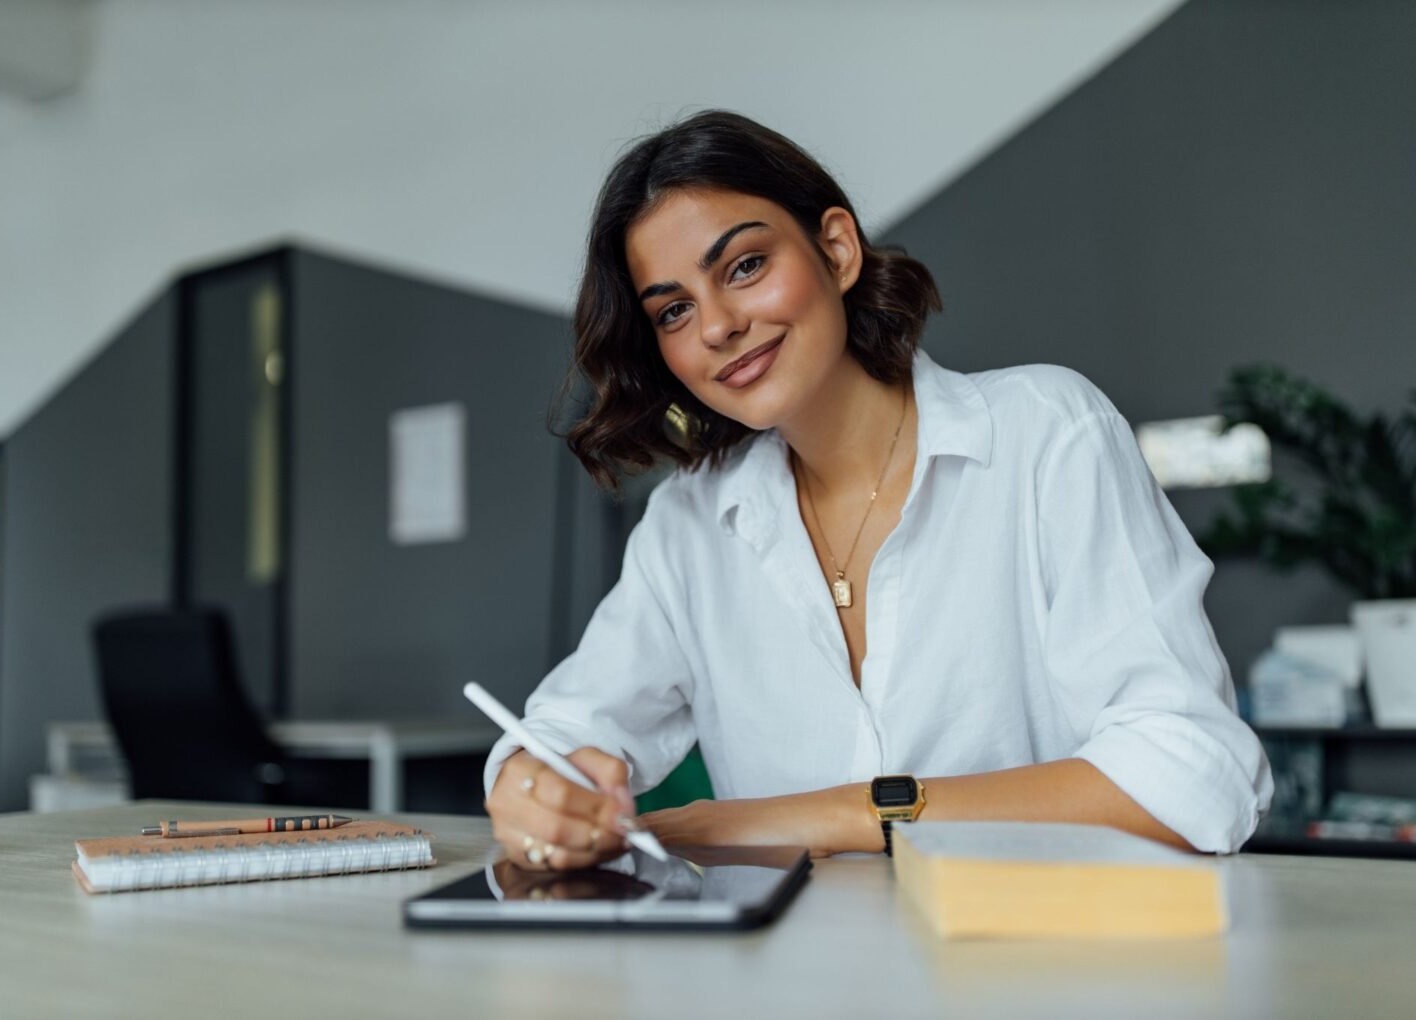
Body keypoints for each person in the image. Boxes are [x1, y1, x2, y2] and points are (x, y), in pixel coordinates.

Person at [482, 109, 1273, 872]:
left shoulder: (1045, 433)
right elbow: (566, 729)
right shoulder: (689, 522)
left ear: (836, 248)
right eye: (675, 310)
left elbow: (1191, 774)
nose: (717, 325)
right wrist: (536, 784)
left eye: (746, 266)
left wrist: (833, 815)